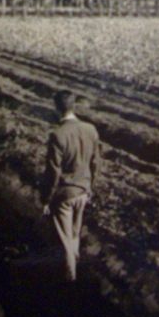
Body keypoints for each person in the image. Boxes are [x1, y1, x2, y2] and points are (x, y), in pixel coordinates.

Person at [41, 90, 100, 281]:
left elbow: (53, 172)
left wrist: (46, 199)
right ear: (74, 106)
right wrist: (91, 186)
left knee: (66, 240)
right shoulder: (91, 129)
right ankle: (76, 270)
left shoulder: (57, 134)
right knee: (75, 233)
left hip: (65, 194)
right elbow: (96, 163)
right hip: (83, 191)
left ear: (57, 108)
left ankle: (70, 280)